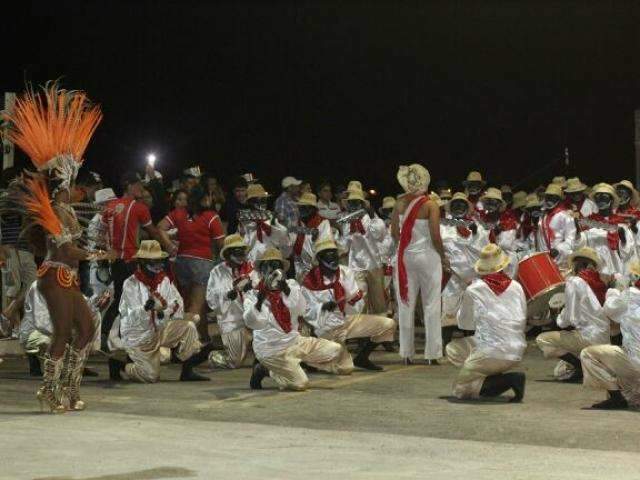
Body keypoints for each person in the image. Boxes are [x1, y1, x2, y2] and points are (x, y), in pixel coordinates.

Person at [2, 83, 110, 412]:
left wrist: (92, 250)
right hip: (54, 274)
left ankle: (69, 387)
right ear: (62, 182)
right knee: (63, 331)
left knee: (87, 329)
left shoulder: (64, 210)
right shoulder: (50, 211)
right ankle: (50, 390)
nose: (75, 186)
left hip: (67, 278)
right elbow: (65, 252)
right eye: (71, 181)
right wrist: (97, 254)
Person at [107, 240, 213, 382]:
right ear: (142, 262)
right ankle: (120, 364)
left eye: (159, 261)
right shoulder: (130, 284)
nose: (158, 266)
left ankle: (187, 371)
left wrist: (165, 311)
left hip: (161, 328)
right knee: (150, 376)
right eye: (153, 261)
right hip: (140, 334)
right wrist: (147, 308)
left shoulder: (164, 280)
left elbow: (177, 303)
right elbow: (130, 316)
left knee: (188, 327)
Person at [243, 247, 344, 391]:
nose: (272, 270)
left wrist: (285, 289)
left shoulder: (291, 285)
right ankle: (264, 369)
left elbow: (301, 309)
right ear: (261, 271)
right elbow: (253, 323)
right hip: (271, 349)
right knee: (300, 384)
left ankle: (292, 365)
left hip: (294, 341)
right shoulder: (253, 293)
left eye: (276, 266)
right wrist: (260, 299)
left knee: (335, 350)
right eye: (268, 266)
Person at [100, 171, 175, 351]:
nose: (142, 188)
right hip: (131, 260)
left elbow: (103, 234)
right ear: (129, 186)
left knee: (119, 297)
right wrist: (168, 245)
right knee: (129, 300)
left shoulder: (110, 206)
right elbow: (154, 231)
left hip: (115, 261)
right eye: (139, 185)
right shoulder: (139, 208)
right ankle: (118, 339)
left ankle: (106, 336)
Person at [447, 243, 527, 402]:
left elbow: (465, 324)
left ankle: (510, 379)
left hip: (492, 350)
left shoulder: (474, 289)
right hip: (517, 348)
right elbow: (523, 318)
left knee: (460, 390)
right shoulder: (517, 286)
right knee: (454, 349)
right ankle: (491, 376)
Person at [302, 238, 395, 371]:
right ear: (320, 258)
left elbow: (356, 302)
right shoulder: (310, 281)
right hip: (326, 328)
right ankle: (310, 359)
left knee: (388, 325)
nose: (333, 256)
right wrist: (322, 308)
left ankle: (362, 357)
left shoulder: (345, 272)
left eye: (334, 253)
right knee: (345, 369)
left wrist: (347, 301)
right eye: (328, 253)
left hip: (346, 320)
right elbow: (306, 312)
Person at [391, 164, 447, 365]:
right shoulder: (430, 204)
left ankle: (406, 353)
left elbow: (394, 234)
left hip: (405, 257)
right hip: (428, 257)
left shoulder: (398, 203)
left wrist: (407, 244)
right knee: (431, 304)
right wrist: (444, 256)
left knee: (405, 303)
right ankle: (432, 354)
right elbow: (435, 236)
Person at [158, 186, 225, 340]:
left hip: (181, 263)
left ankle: (203, 338)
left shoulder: (179, 213)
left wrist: (169, 245)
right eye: (208, 196)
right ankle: (180, 340)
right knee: (196, 307)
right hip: (202, 263)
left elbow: (160, 227)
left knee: (192, 305)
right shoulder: (211, 216)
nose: (210, 199)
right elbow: (222, 244)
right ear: (203, 199)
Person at [536, 247, 610, 382]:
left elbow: (570, 319)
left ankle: (580, 367)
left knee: (543, 340)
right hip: (603, 335)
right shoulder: (599, 281)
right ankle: (588, 363)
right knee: (561, 371)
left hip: (587, 335)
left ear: (577, 264)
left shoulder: (575, 282)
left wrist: (556, 318)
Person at [581, 260, 640, 409]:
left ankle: (616, 398)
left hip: (636, 364)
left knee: (588, 354)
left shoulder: (631, 295)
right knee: (631, 396)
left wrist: (613, 290)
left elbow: (609, 310)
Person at [440, 192, 489, 347]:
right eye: (455, 205)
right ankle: (444, 344)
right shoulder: (443, 227)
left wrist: (474, 235)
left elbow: (484, 251)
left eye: (462, 205)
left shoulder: (479, 227)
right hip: (451, 276)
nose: (459, 208)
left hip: (473, 277)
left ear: (468, 208)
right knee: (449, 309)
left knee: (472, 310)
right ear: (451, 208)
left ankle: (473, 344)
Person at [206, 234, 258, 369]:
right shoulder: (217, 272)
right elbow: (211, 301)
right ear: (228, 254)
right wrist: (228, 294)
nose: (240, 255)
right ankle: (213, 355)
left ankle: (260, 355)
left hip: (254, 318)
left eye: (242, 251)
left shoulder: (252, 269)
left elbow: (263, 293)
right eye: (236, 251)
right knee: (234, 362)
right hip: (232, 321)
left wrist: (252, 289)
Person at [337, 186, 387, 315]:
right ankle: (363, 329)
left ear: (361, 203)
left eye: (356, 202)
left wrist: (371, 214)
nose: (353, 205)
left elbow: (380, 234)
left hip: (373, 264)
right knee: (360, 299)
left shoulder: (371, 218)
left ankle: (380, 330)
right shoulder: (347, 221)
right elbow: (344, 244)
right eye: (351, 202)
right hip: (356, 265)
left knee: (378, 300)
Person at [575, 183, 635, 278]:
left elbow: (628, 252)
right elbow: (580, 244)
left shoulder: (620, 222)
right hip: (596, 268)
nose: (600, 200)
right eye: (597, 198)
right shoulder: (588, 222)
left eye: (604, 197)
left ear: (611, 200)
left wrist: (623, 240)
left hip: (616, 269)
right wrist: (577, 232)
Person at [239, 183, 290, 262]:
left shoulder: (276, 223)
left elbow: (287, 252)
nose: (260, 204)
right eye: (255, 201)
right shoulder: (244, 224)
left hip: (273, 265)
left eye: (263, 200)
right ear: (250, 203)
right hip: (251, 268)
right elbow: (242, 251)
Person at [535, 183, 576, 272]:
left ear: (558, 199)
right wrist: (542, 254)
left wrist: (558, 250)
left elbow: (570, 239)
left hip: (563, 260)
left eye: (553, 197)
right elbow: (541, 238)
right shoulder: (543, 216)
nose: (549, 199)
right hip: (547, 260)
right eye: (548, 197)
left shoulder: (565, 215)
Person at [478, 188, 519, 278]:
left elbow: (505, 245)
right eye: (487, 202)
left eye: (493, 202)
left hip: (506, 261)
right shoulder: (483, 219)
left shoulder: (507, 220)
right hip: (489, 262)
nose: (490, 205)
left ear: (499, 205)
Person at [290, 192, 331, 281]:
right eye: (300, 207)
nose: (302, 210)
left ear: (313, 209)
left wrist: (313, 267)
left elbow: (324, 248)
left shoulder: (323, 223)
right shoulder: (296, 223)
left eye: (305, 207)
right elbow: (290, 245)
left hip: (316, 269)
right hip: (299, 268)